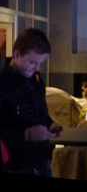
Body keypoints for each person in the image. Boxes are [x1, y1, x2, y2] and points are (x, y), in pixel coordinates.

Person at [0, 28, 61, 176]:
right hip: (16, 165)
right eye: (33, 62)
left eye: (40, 63)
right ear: (16, 54)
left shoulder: (36, 80)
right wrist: (26, 135)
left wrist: (50, 124)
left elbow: (41, 112)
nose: (37, 68)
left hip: (42, 162)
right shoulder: (3, 84)